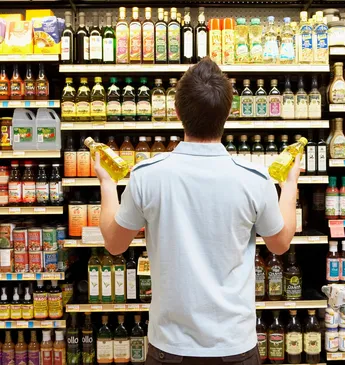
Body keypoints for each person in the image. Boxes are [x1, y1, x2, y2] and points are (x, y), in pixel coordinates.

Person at [94, 57, 300, 364]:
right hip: (235, 347)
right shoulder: (254, 179)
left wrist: (108, 183)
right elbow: (280, 243)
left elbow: (114, 243)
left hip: (169, 348)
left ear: (178, 113)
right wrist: (290, 182)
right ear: (228, 113)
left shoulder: (147, 176)